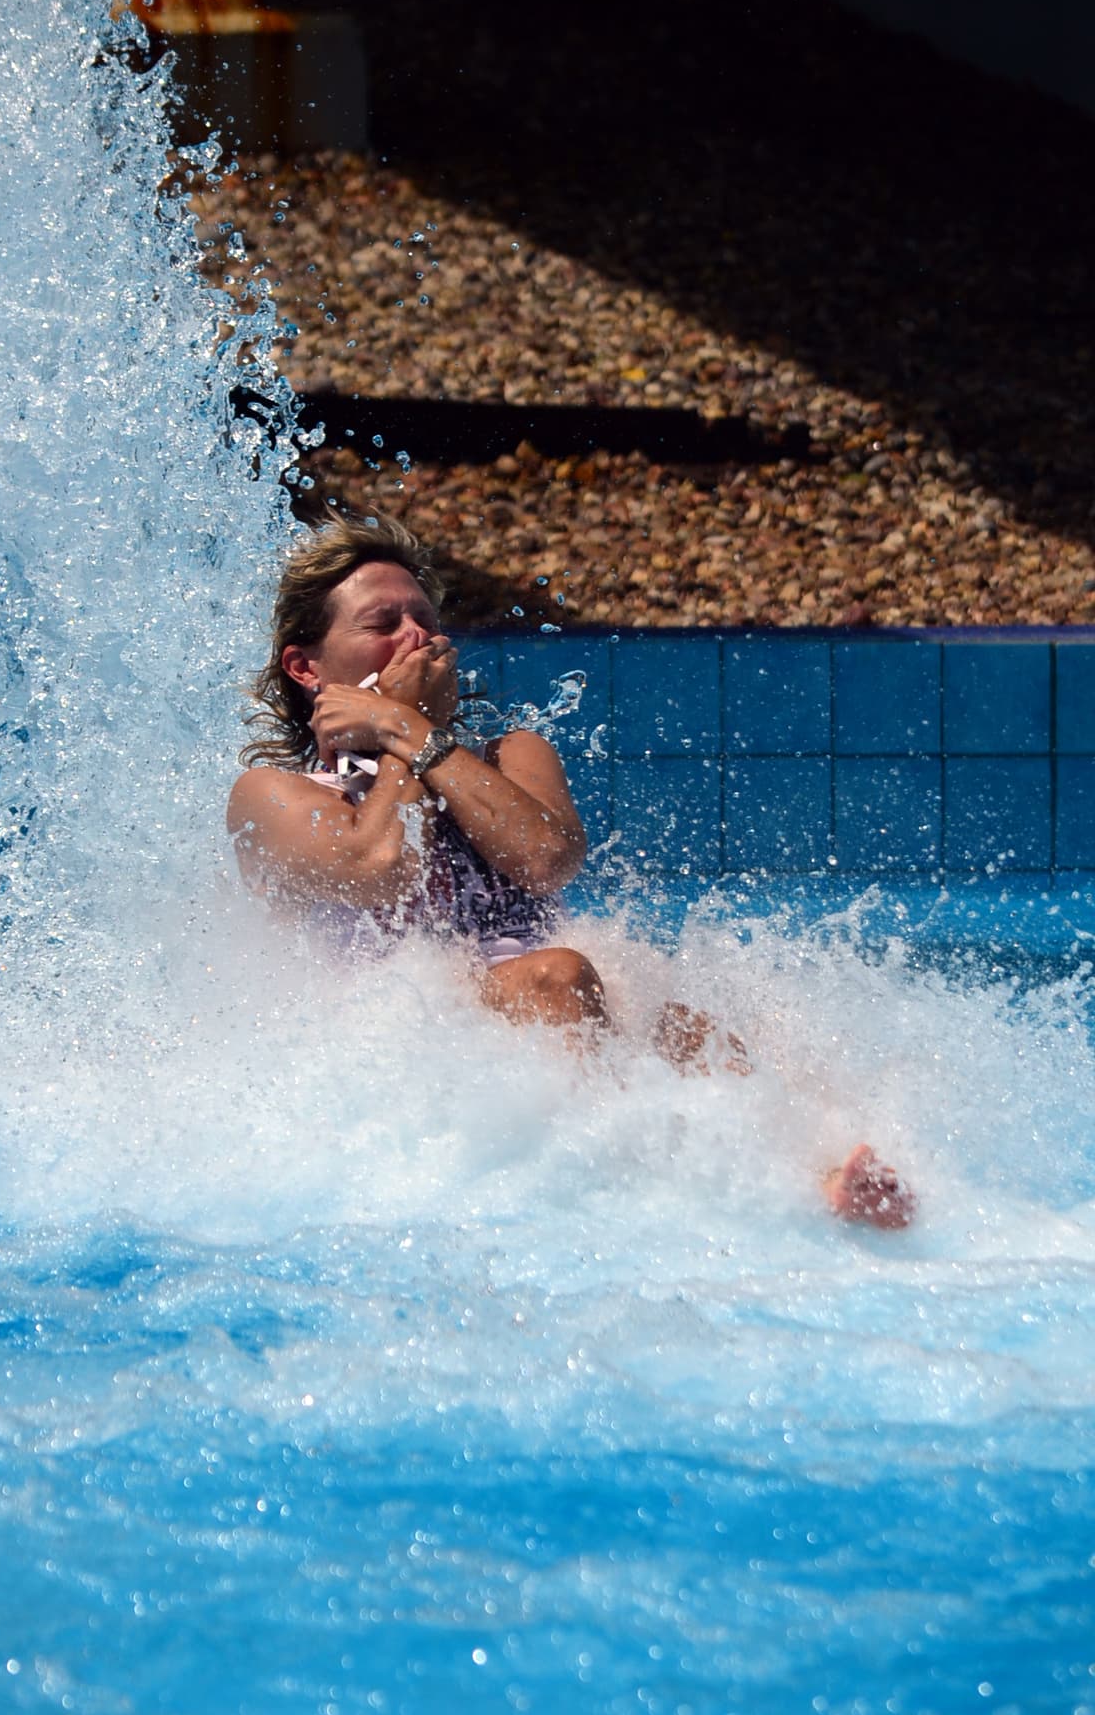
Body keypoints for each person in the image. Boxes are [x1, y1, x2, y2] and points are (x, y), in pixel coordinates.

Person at [228, 512, 915, 1230]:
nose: (419, 638)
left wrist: (414, 732)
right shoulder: (272, 797)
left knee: (680, 1021)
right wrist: (404, 730)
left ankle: (807, 1182)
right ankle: (637, 1199)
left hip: (555, 1020)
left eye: (426, 619)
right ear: (307, 668)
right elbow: (380, 864)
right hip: (404, 1038)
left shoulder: (509, 756)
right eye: (384, 623)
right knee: (555, 976)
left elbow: (547, 860)